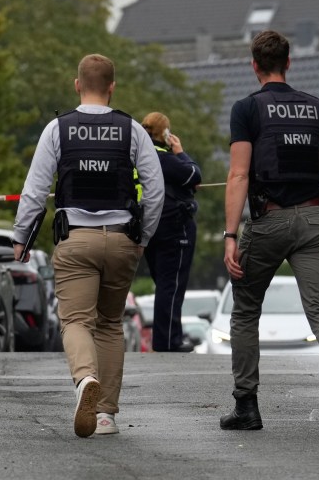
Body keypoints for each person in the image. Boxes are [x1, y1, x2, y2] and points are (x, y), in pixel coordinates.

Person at [12, 53, 164, 438]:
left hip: (76, 239)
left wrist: (20, 237)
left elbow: (35, 189)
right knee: (111, 324)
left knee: (77, 321)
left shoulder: (57, 130)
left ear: (77, 85)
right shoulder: (133, 130)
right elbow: (156, 189)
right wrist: (143, 237)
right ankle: (106, 415)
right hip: (122, 240)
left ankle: (84, 381)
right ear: (112, 87)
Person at [220, 30, 319, 433]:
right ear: (289, 62)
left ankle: (246, 406)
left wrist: (231, 235)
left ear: (254, 65)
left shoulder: (247, 110)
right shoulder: (315, 107)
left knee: (246, 310)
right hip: (314, 219)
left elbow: (239, 173)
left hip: (268, 221)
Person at [140, 112, 202, 352]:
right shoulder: (164, 159)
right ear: (165, 134)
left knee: (165, 284)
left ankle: (172, 334)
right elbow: (194, 175)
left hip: (147, 228)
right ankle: (168, 342)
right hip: (174, 229)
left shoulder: (137, 158)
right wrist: (180, 150)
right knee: (171, 285)